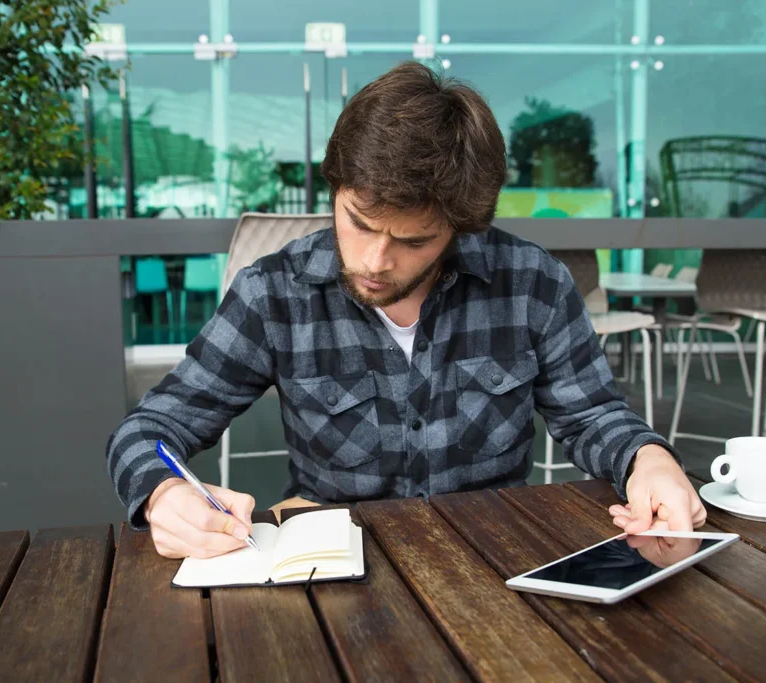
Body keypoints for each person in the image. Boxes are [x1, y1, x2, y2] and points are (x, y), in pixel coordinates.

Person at [106, 62, 706, 560]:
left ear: (460, 228)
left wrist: (648, 460)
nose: (373, 259)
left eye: (414, 241)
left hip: (493, 563)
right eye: (358, 222)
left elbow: (594, 415)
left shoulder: (531, 283)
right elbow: (149, 430)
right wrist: (161, 496)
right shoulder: (275, 293)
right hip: (328, 569)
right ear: (334, 190)